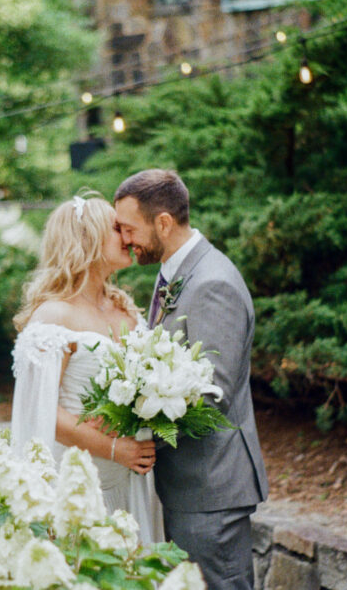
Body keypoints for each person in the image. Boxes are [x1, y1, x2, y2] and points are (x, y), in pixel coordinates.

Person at [114, 169, 268, 590]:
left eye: (129, 229)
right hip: (189, 486)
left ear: (163, 222)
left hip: (210, 488)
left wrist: (137, 412)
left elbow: (211, 394)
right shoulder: (173, 274)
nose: (125, 240)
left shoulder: (213, 282)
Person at [9, 192, 164, 544]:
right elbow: (41, 411)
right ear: (87, 239)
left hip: (133, 480)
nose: (127, 236)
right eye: (115, 228)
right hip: (78, 482)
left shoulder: (127, 312)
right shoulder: (54, 316)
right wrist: (114, 449)